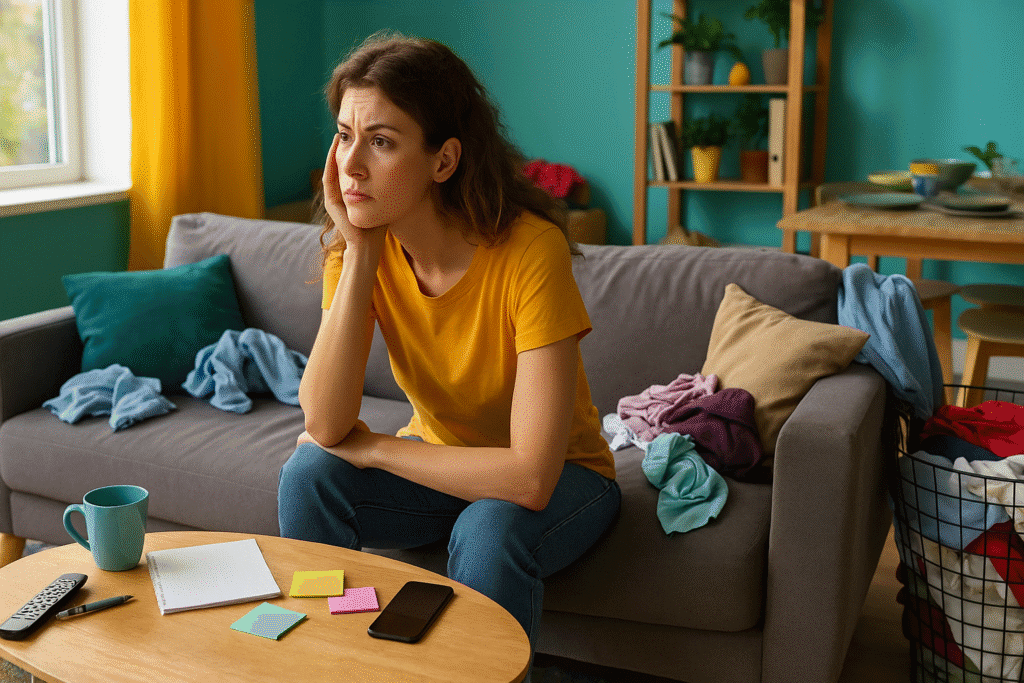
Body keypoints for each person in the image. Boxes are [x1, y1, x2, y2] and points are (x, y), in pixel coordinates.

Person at [277, 32, 620, 657]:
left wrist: (378, 449)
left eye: (381, 141)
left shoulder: (528, 251)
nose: (351, 165)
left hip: (568, 479)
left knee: (491, 524)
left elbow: (528, 480)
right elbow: (325, 425)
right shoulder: (360, 249)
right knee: (309, 474)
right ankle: (331, 661)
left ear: (444, 160)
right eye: (345, 135)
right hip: (441, 469)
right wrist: (358, 252)